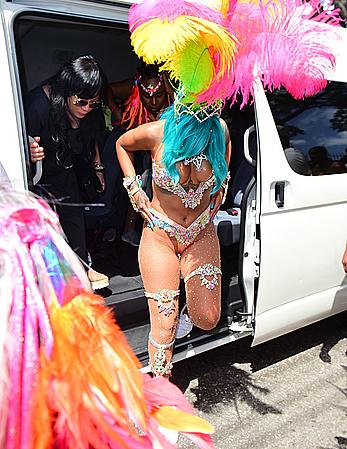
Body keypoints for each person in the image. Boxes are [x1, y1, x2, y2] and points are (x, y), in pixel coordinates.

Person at [0, 186, 215, 449]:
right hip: (160, 233)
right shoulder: (22, 240)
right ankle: (162, 384)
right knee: (163, 323)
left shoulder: (30, 235)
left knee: (201, 316)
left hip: (200, 231)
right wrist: (135, 190)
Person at [25, 55, 109, 290]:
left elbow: (89, 139)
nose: (87, 109)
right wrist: (27, 150)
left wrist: (98, 167)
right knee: (46, 225)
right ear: (65, 92)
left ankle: (82, 266)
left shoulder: (85, 108)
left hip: (65, 167)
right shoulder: (37, 105)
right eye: (81, 102)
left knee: (74, 216)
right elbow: (16, 139)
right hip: (39, 174)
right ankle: (56, 279)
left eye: (93, 104)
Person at [108, 63, 174, 246]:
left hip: (167, 154)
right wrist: (115, 109)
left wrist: (170, 91)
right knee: (143, 179)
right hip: (139, 149)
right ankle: (131, 229)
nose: (153, 102)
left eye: (159, 95)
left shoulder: (175, 100)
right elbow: (109, 89)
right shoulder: (132, 85)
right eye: (147, 96)